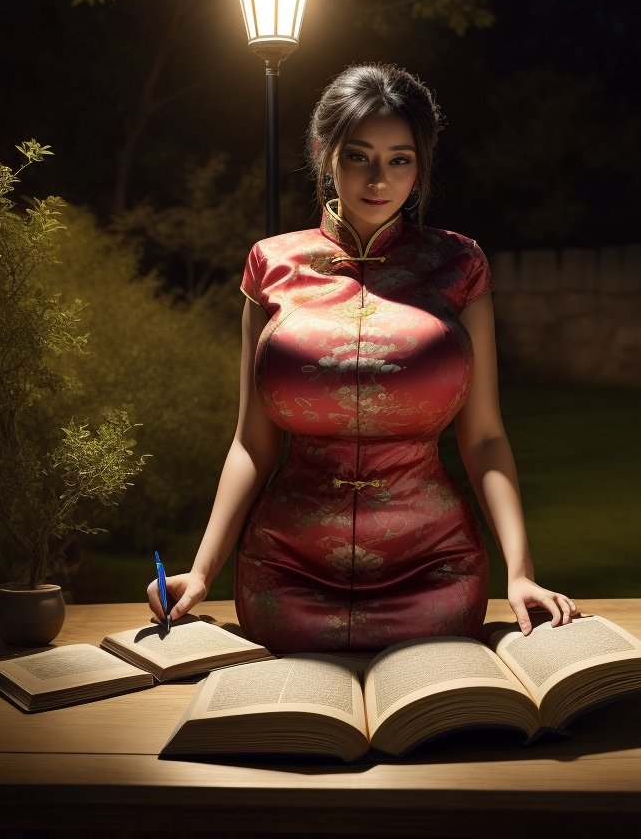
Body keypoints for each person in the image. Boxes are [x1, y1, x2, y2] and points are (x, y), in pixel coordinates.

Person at [148, 63, 576, 654]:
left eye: (400, 158)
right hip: (285, 574)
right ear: (326, 154)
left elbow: (484, 439)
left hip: (435, 572)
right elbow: (252, 440)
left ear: (420, 164)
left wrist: (520, 571)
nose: (380, 178)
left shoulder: (458, 265)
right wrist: (201, 571)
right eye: (359, 156)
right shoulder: (272, 264)